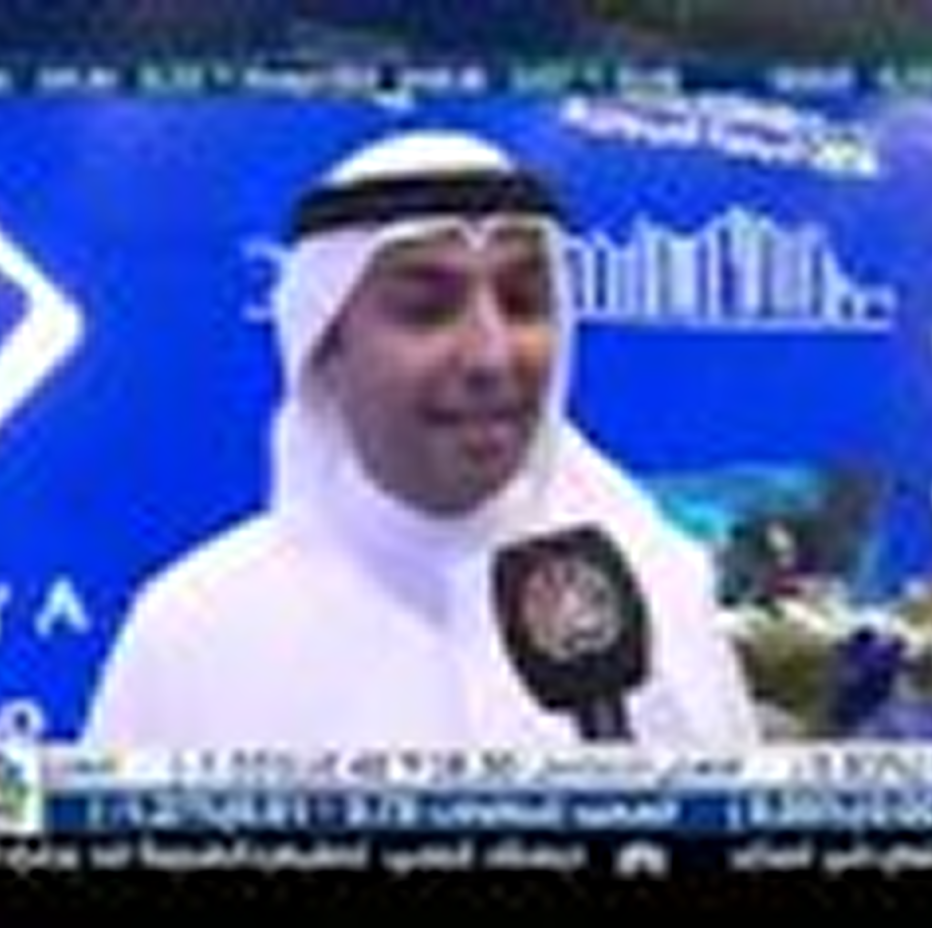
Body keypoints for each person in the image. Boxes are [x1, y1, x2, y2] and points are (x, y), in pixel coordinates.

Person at [83, 127, 761, 749]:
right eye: (427, 310)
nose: (491, 355)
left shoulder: (658, 583)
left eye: (523, 302)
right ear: (327, 345)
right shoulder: (193, 632)